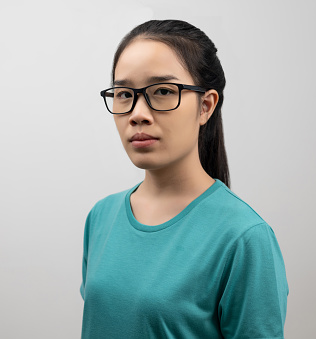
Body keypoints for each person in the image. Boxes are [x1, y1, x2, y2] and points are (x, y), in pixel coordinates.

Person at [80, 19, 288, 339]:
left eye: (162, 91)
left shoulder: (244, 237)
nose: (137, 113)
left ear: (205, 106)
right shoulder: (101, 217)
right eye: (124, 94)